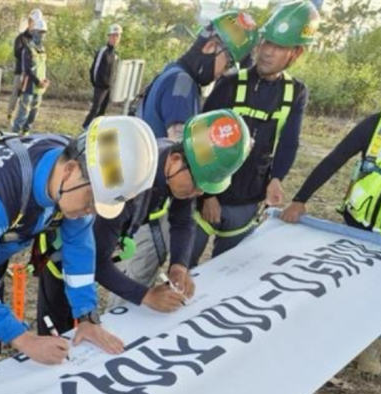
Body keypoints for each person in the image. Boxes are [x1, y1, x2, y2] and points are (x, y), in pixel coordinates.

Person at [0, 117, 160, 394]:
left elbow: (80, 251)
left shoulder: (74, 175)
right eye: (89, 202)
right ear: (71, 170)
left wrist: (87, 317)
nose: (89, 212)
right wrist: (26, 340)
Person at [39, 111, 251, 320]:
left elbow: (183, 220)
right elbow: (97, 262)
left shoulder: (174, 168)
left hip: (94, 247)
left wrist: (179, 265)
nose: (199, 193)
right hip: (65, 256)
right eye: (197, 184)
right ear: (176, 160)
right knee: (60, 324)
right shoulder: (128, 185)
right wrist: (146, 296)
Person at [281, 71, 381, 375]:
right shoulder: (375, 125)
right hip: (358, 223)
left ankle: (373, 343)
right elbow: (334, 159)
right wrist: (300, 198)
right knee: (353, 283)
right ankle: (338, 338)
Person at [190, 1, 315, 262]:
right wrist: (208, 194)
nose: (268, 52)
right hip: (209, 196)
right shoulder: (231, 82)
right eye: (266, 43)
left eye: (279, 47)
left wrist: (277, 178)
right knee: (186, 263)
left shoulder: (296, 92)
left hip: (247, 199)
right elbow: (200, 136)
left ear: (296, 53)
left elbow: (289, 142)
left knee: (225, 268)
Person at [140, 10, 258, 140]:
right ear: (210, 46)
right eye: (228, 64)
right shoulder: (182, 84)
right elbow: (180, 147)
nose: (224, 72)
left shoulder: (173, 71)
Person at [12, 16, 47, 135]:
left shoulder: (42, 49)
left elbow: (42, 67)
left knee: (33, 115)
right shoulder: (27, 49)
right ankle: (14, 135)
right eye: (40, 32)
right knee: (23, 113)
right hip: (29, 86)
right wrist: (37, 81)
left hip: (39, 88)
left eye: (43, 33)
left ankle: (25, 134)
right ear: (34, 32)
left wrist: (45, 80)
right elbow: (27, 69)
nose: (42, 35)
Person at [83, 23, 120, 129]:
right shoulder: (103, 51)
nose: (115, 38)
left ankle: (96, 130)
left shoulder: (115, 54)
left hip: (109, 87)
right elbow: (94, 68)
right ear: (109, 36)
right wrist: (96, 83)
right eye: (113, 36)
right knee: (95, 109)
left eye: (117, 36)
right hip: (100, 86)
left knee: (102, 112)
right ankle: (85, 127)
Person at [6, 9, 39, 124]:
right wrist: (27, 53)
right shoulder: (20, 38)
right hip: (20, 71)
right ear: (29, 23)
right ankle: (10, 115)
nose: (34, 27)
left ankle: (23, 120)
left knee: (27, 98)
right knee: (16, 94)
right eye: (33, 23)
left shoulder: (36, 41)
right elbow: (16, 53)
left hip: (31, 74)